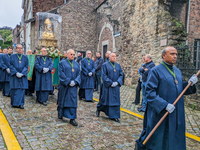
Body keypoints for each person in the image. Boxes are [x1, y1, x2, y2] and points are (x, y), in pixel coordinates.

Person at [136, 46, 198, 150]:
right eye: (172, 54)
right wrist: (164, 105)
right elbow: (150, 93)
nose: (175, 56)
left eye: (176, 54)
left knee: (175, 139)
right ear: (164, 55)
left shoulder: (177, 71)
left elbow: (180, 89)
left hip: (176, 112)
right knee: (161, 140)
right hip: (161, 113)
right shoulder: (155, 71)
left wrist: (190, 84)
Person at [96, 53, 123, 123]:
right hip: (107, 87)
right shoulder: (105, 65)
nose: (114, 57)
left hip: (115, 87)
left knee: (115, 101)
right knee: (105, 100)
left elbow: (121, 75)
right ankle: (99, 109)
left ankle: (114, 116)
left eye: (115, 56)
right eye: (113, 56)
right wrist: (110, 83)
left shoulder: (118, 66)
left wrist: (117, 82)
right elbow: (104, 76)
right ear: (109, 57)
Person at [57, 49, 81, 126]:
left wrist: (75, 81)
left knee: (73, 102)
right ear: (67, 54)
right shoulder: (62, 63)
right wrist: (68, 81)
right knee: (63, 100)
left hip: (73, 87)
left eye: (74, 55)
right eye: (71, 54)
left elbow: (79, 74)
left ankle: (72, 118)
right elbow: (61, 74)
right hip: (65, 86)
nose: (72, 56)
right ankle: (61, 113)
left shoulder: (77, 64)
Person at [9, 44, 28, 109]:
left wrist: (22, 73)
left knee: (21, 90)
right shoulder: (12, 56)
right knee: (15, 89)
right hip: (15, 76)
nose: (19, 49)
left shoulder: (25, 57)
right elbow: (10, 65)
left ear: (22, 49)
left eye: (21, 48)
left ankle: (21, 103)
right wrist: (16, 72)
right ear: (16, 49)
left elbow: (26, 66)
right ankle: (14, 103)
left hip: (22, 76)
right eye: (18, 48)